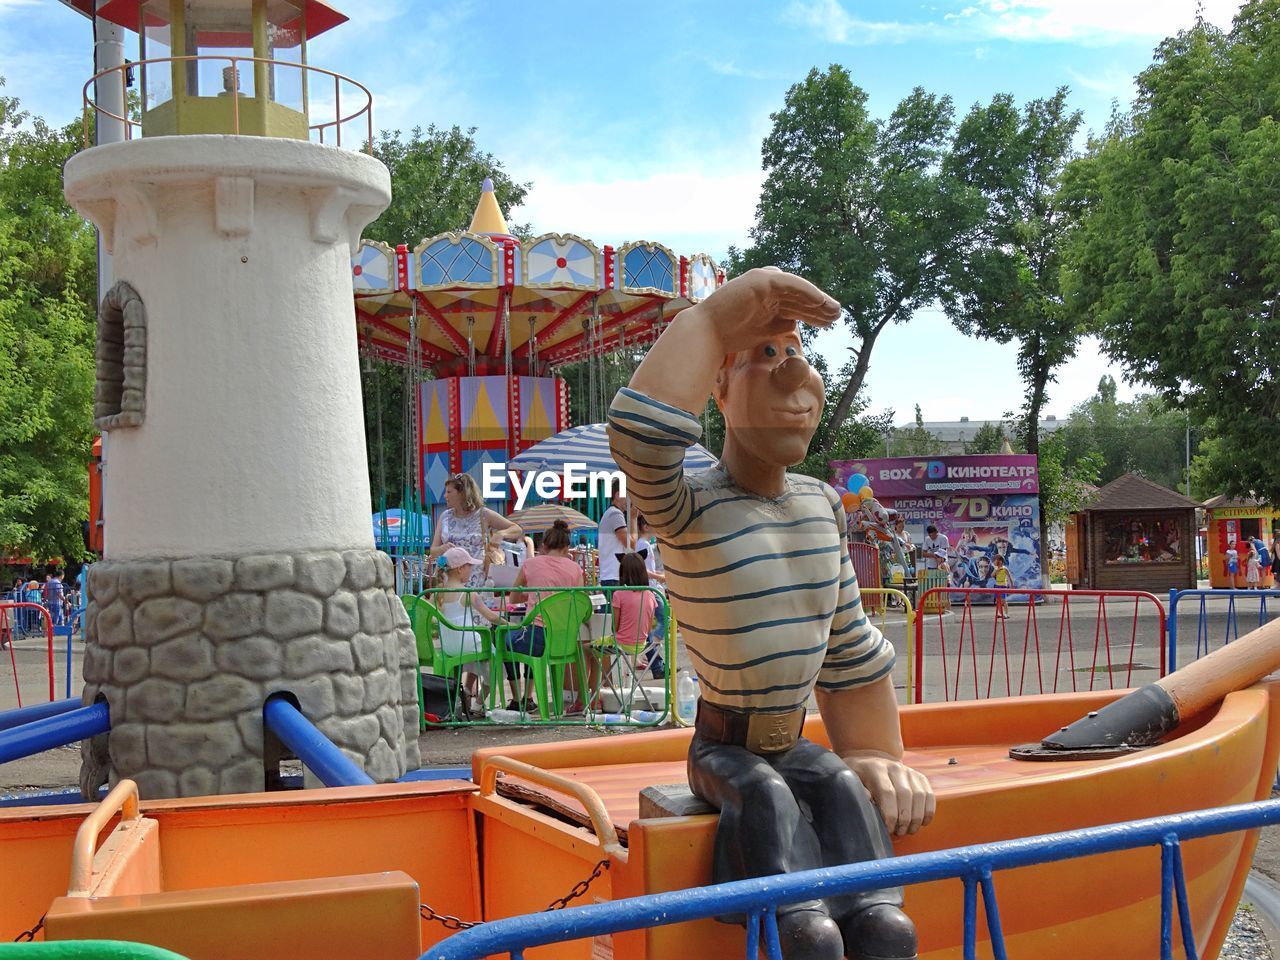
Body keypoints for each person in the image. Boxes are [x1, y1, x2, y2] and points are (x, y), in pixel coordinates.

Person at [608, 267, 931, 960]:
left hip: (795, 738)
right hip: (723, 746)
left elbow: (847, 643)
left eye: (798, 358)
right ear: (718, 388)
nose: (793, 379)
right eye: (766, 357)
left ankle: (866, 906)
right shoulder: (688, 507)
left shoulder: (820, 504)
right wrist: (710, 323)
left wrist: (875, 751)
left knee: (882, 913)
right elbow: (641, 444)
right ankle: (793, 917)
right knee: (786, 863)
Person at [507, 519, 585, 713]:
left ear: (543, 545)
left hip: (538, 637)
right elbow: (579, 601)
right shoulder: (575, 568)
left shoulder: (530, 564)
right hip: (565, 638)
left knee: (504, 639)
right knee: (531, 642)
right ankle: (531, 699)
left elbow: (514, 597)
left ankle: (519, 698)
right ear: (567, 546)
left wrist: (533, 594)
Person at [434, 547, 502, 718]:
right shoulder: (468, 594)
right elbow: (491, 616)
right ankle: (479, 704)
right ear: (460, 569)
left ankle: (460, 700)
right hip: (469, 643)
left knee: (465, 661)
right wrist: (511, 624)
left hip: (448, 645)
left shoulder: (437, 593)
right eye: (469, 566)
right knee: (496, 665)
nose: (471, 570)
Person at [429, 473, 523, 589]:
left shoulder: (483, 514)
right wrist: (442, 549)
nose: (445, 496)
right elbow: (433, 551)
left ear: (462, 493)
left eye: (449, 492)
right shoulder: (445, 517)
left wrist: (500, 534)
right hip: (449, 580)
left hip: (477, 579)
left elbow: (517, 529)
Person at [596, 492, 632, 587]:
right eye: (628, 496)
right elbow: (631, 544)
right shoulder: (615, 514)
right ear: (618, 495)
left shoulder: (609, 513)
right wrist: (634, 518)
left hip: (610, 575)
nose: (630, 501)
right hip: (614, 576)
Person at [992, 554, 1011, 619]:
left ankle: (1006, 613)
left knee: (1004, 600)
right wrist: (996, 569)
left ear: (1002, 561)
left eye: (999, 560)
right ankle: (1000, 613)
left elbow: (1009, 577)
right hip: (997, 586)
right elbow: (992, 575)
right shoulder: (996, 568)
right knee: (998, 600)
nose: (997, 562)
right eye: (996, 560)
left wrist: (1011, 586)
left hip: (1003, 586)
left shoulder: (1005, 569)